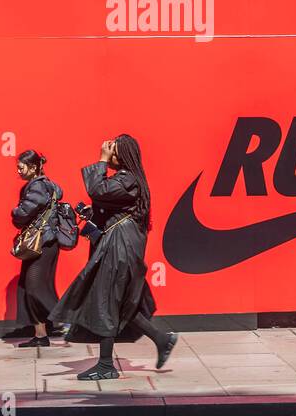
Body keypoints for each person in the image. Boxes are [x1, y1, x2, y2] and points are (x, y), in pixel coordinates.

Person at [51, 134, 178, 380]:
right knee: (118, 304)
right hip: (119, 246)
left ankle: (106, 365)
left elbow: (97, 189)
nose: (112, 156)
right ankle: (162, 340)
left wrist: (101, 159)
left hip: (120, 250)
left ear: (125, 157)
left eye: (116, 152)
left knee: (107, 302)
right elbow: (107, 200)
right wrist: (93, 212)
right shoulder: (126, 180)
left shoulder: (128, 179)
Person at [10, 150, 64, 348]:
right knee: (27, 287)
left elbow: (24, 212)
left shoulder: (38, 186)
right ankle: (40, 335)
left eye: (21, 167)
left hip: (43, 243)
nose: (18, 170)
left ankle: (64, 318)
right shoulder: (44, 185)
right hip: (44, 242)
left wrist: (15, 212)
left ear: (33, 168)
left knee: (34, 286)